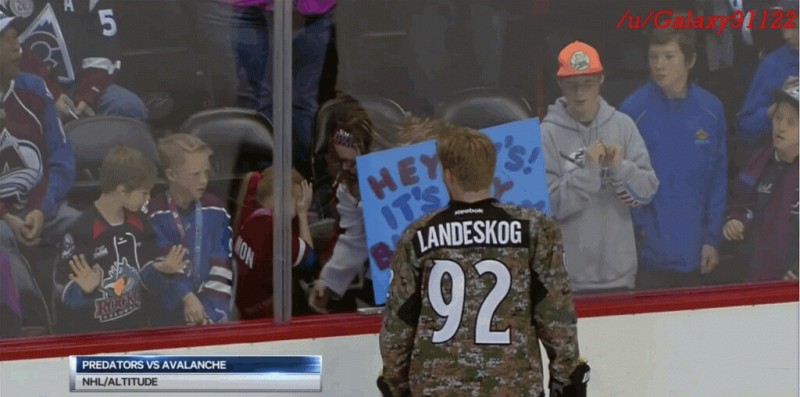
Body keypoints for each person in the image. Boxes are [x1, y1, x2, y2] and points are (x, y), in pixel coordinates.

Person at [379, 126, 588, 397]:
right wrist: (566, 383)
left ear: (448, 175)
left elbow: (397, 326)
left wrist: (397, 386)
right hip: (514, 387)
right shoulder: (535, 229)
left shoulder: (417, 235)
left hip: (435, 389)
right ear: (491, 173)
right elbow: (557, 318)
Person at [541, 41, 659, 292]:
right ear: (560, 85)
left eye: (587, 83)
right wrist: (589, 172)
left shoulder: (623, 125)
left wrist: (620, 168)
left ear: (601, 80)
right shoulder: (546, 134)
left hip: (620, 275)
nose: (580, 93)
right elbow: (547, 208)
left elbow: (646, 192)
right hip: (566, 279)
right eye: (572, 85)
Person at [619, 25, 728, 289]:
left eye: (668, 57)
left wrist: (712, 239)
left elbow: (718, 179)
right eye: (653, 57)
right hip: (647, 255)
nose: (659, 65)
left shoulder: (711, 110)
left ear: (690, 60)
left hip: (696, 251)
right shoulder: (632, 110)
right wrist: (639, 228)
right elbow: (621, 177)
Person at [53, 146, 184, 334]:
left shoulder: (140, 224)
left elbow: (148, 277)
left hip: (136, 332)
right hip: (93, 339)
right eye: (144, 192)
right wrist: (83, 291)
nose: (148, 199)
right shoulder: (80, 231)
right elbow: (62, 294)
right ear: (122, 190)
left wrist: (163, 271)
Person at [1, 9, 77, 290]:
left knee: (79, 227)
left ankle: (72, 315)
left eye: (14, 37)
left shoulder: (35, 88)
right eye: (4, 40)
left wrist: (40, 209)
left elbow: (61, 161)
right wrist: (5, 215)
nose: (16, 47)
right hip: (2, 217)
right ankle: (28, 321)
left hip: (42, 206)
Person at [231, 0, 336, 176]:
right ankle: (265, 185)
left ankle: (304, 183)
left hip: (311, 13)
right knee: (260, 102)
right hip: (253, 11)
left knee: (303, 103)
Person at [9, 0, 148, 121]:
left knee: (129, 107)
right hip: (19, 89)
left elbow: (104, 47)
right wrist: (49, 93)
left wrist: (87, 94)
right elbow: (6, 52)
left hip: (79, 87)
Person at [147, 133, 233, 326]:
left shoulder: (217, 210)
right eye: (195, 174)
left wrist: (213, 312)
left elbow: (222, 263)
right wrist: (186, 297)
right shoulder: (153, 213)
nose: (204, 180)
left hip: (210, 316)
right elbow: (160, 265)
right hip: (167, 318)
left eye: (206, 173)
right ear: (171, 175)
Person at [724, 80, 798, 282]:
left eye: (791, 122)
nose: (780, 127)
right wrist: (736, 220)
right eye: (778, 118)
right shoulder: (759, 163)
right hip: (755, 282)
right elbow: (743, 205)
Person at [308, 117, 375, 313]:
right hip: (383, 278)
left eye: (352, 163)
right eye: (342, 161)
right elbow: (354, 240)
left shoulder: (411, 174)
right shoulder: (346, 188)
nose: (346, 168)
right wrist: (327, 282)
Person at [233, 166, 315, 319]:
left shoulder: (253, 217)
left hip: (249, 312)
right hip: (264, 317)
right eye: (298, 198)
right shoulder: (272, 226)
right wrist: (303, 214)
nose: (300, 205)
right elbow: (308, 262)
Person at [735, 0, 799, 145]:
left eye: (795, 27)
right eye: (784, 26)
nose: (787, 36)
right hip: (783, 161)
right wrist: (774, 110)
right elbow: (744, 127)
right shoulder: (773, 64)